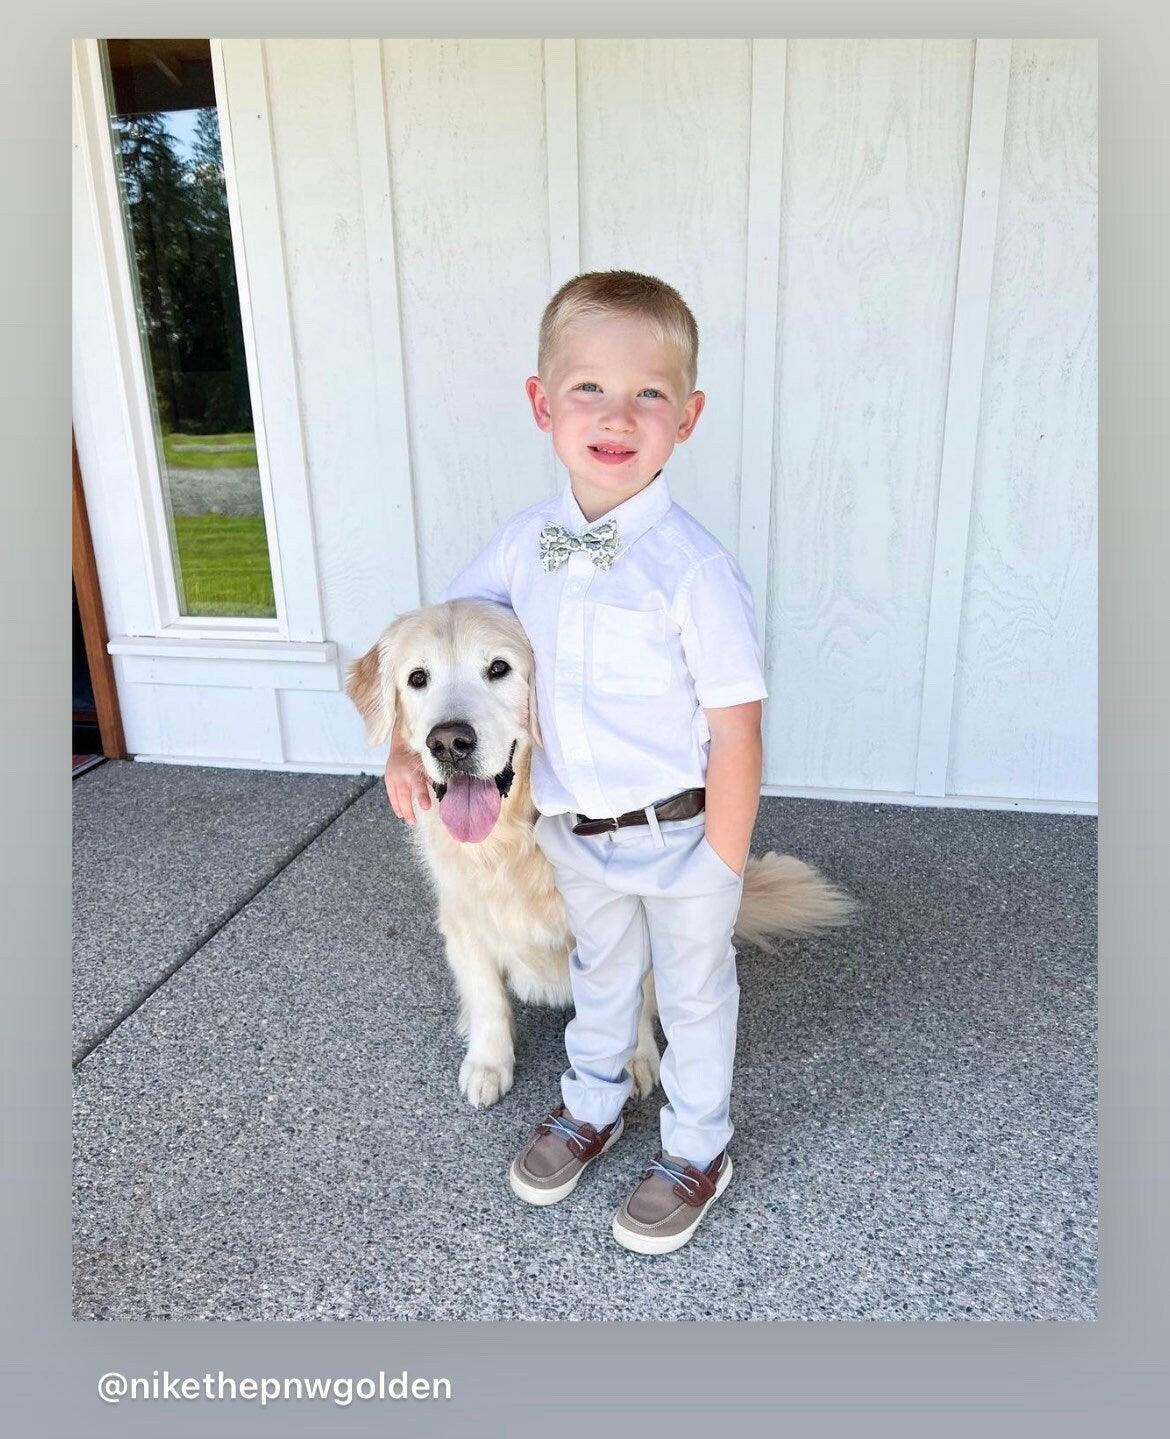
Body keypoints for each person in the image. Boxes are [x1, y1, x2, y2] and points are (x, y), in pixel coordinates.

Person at [384, 270, 767, 1254]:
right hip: (573, 833)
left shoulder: (693, 570)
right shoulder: (524, 545)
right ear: (541, 402)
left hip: (679, 832)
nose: (617, 414)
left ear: (688, 417)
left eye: (649, 393)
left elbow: (736, 727)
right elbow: (434, 644)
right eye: (589, 387)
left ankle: (696, 1148)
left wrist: (724, 862)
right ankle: (590, 1104)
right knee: (602, 978)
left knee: (693, 996)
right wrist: (398, 744)